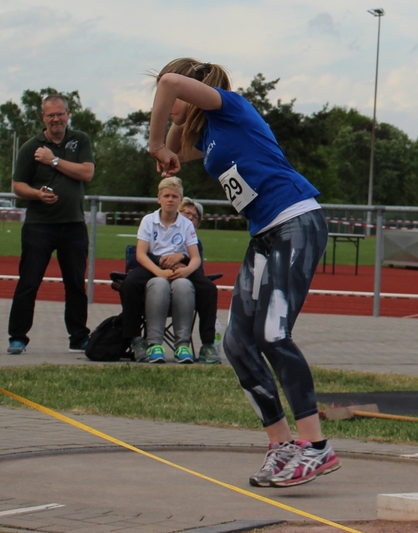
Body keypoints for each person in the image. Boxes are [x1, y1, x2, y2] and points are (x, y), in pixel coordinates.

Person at [148, 58, 339, 488]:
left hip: (295, 221)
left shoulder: (229, 106)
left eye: (170, 97)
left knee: (272, 334)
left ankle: (316, 447)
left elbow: (170, 83)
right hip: (265, 235)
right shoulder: (208, 134)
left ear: (193, 89)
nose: (162, 101)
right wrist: (170, 140)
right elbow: (180, 142)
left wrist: (155, 143)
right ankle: (281, 444)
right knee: (235, 343)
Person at [6, 94, 94, 354]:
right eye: (50, 115)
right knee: (29, 282)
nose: (56, 119)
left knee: (75, 284)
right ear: (43, 117)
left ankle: (79, 337)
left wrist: (53, 160)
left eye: (60, 114)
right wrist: (37, 194)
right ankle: (17, 337)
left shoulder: (80, 140)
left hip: (74, 224)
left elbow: (87, 173)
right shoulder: (31, 147)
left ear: (68, 114)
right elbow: (18, 185)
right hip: (39, 225)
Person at [122, 177, 200, 364]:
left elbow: (196, 257)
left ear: (180, 200)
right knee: (129, 285)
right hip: (153, 266)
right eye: (166, 196)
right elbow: (141, 254)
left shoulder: (187, 224)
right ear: (159, 199)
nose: (170, 199)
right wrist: (159, 272)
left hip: (178, 268)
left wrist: (186, 271)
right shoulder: (148, 220)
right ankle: (141, 341)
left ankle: (191, 345)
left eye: (174, 196)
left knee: (196, 288)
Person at [179, 197, 221, 364]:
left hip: (188, 276)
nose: (190, 218)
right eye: (186, 213)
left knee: (208, 289)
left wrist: (184, 263)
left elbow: (198, 271)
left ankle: (207, 344)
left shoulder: (196, 243)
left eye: (195, 216)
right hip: (162, 275)